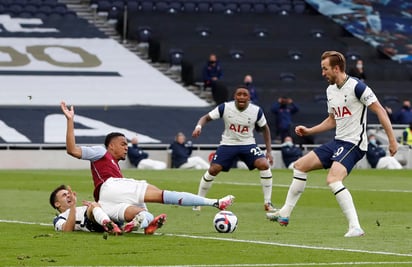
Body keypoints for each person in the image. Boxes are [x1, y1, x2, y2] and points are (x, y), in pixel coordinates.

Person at [266, 51, 398, 237]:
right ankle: (285, 213)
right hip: (338, 142)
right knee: (300, 166)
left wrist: (392, 140)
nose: (322, 73)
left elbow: (381, 111)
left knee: (333, 179)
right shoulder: (330, 90)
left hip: (354, 143)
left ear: (336, 68)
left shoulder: (358, 87)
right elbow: (332, 120)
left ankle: (355, 227)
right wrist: (309, 131)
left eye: (325, 69)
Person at [60, 101, 235, 234]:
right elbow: (72, 150)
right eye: (122, 144)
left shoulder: (115, 167)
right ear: (110, 146)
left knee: (145, 214)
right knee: (163, 195)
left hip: (107, 204)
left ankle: (140, 225)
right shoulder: (101, 152)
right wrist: (70, 121)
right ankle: (215, 202)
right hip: (110, 188)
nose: (126, 147)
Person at [191, 86, 276, 212]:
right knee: (214, 169)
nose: (241, 97)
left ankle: (268, 203)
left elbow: (265, 128)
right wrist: (198, 127)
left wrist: (269, 151)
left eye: (244, 95)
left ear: (249, 97)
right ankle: (199, 201)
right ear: (234, 96)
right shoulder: (225, 107)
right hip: (228, 144)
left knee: (264, 164)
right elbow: (205, 118)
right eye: (239, 94)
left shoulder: (256, 111)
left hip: (248, 144)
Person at [50, 184, 122, 234]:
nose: (68, 196)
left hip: (102, 213)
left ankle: (129, 223)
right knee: (93, 205)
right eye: (64, 195)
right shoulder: (59, 218)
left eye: (69, 193)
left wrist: (97, 206)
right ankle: (109, 224)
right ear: (57, 204)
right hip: (90, 222)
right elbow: (67, 229)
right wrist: (73, 206)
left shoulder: (78, 208)